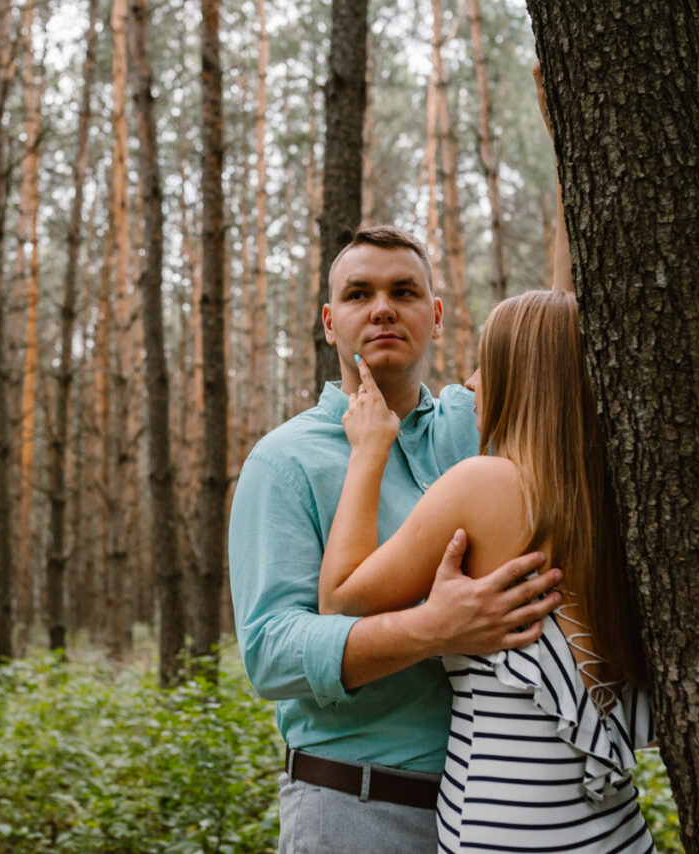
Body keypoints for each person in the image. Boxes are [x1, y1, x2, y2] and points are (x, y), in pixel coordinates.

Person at [228, 225, 563, 853]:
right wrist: (433, 629)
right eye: (359, 294)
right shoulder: (283, 461)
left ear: (434, 316)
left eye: (403, 291)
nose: (382, 307)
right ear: (330, 322)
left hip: (504, 810)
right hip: (355, 809)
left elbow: (558, 348)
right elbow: (271, 652)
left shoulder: (482, 424)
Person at [320, 290, 656, 852]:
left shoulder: (486, 484)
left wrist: (369, 452)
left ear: (525, 376)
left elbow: (340, 598)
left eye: (488, 363)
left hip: (507, 831)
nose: (470, 384)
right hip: (614, 829)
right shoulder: (614, 499)